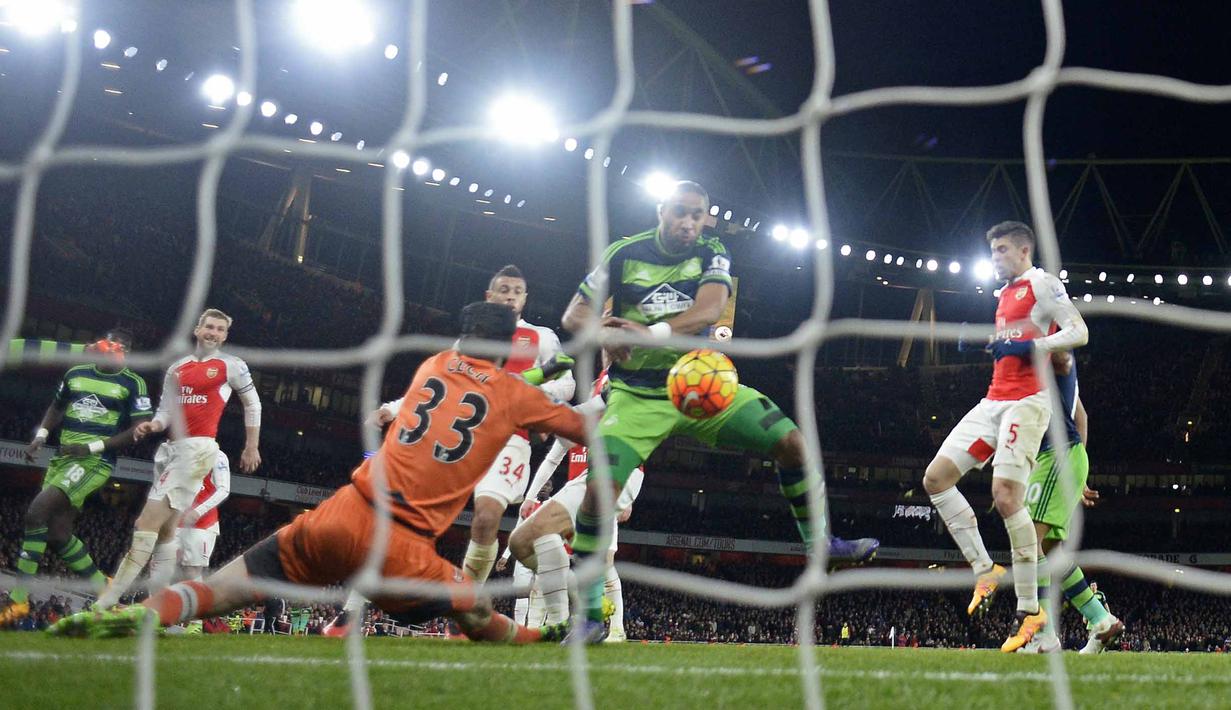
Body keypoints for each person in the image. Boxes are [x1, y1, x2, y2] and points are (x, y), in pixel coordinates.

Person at [52, 302, 588, 644]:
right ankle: (539, 639)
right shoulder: (518, 396)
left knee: (219, 589)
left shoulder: (433, 365)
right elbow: (577, 426)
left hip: (337, 513)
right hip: (399, 549)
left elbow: (472, 382)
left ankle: (145, 613)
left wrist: (539, 375)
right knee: (476, 609)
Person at [559, 180, 878, 642]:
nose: (689, 223)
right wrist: (603, 333)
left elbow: (710, 308)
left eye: (697, 214)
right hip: (638, 395)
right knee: (598, 490)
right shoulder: (624, 253)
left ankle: (821, 545)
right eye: (681, 213)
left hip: (700, 384)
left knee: (791, 443)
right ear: (660, 210)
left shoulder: (712, 251)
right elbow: (574, 314)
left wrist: (652, 334)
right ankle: (589, 616)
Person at [925, 220, 1088, 653]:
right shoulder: (1003, 295)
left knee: (1006, 496)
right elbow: (1011, 342)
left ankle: (1030, 608)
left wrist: (1031, 348)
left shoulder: (1042, 283)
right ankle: (985, 567)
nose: (994, 257)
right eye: (992, 251)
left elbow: (1079, 331)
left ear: (1022, 250)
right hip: (992, 404)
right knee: (936, 480)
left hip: (1027, 403)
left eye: (1000, 250)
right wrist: (984, 341)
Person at [368, 265, 575, 585]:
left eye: (517, 292)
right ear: (489, 296)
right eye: (504, 290)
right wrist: (391, 409)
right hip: (461, 436)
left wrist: (525, 395)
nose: (510, 297)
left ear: (525, 299)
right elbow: (439, 384)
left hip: (510, 437)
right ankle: (355, 606)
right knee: (407, 511)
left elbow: (567, 385)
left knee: (487, 517)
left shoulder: (541, 337)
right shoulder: (468, 342)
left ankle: (465, 601)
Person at [93, 308, 262, 610]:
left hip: (197, 450)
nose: (214, 333)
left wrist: (252, 446)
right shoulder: (178, 368)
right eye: (209, 327)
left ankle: (107, 601)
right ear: (197, 330)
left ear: (225, 336)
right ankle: (160, 608)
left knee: (146, 523)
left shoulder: (231, 365)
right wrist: (153, 425)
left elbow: (253, 403)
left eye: (220, 330)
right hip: (170, 452)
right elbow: (165, 411)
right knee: (167, 532)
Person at [0, 329, 151, 625]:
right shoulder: (77, 372)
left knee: (35, 514)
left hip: (94, 461)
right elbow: (57, 406)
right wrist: (41, 436)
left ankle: (18, 600)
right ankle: (105, 591)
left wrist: (91, 447)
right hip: (63, 459)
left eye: (118, 346)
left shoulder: (133, 383)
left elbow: (139, 429)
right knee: (58, 535)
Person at [506, 370, 644, 640]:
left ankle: (615, 628)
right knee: (521, 542)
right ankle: (569, 620)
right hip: (585, 482)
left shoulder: (634, 378)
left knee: (603, 562)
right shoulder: (596, 404)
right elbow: (560, 445)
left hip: (616, 473)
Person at [1017, 351, 1124, 654]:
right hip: (1063, 456)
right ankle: (1101, 619)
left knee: (1029, 539)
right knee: (1051, 550)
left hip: (1057, 454)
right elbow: (1082, 417)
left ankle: (1043, 633)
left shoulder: (1046, 354)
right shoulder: (1061, 378)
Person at [174, 450, 231, 581]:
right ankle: (159, 600)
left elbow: (224, 489)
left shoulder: (217, 455)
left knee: (191, 571)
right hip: (174, 520)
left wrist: (198, 511)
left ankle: (194, 600)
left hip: (202, 524)